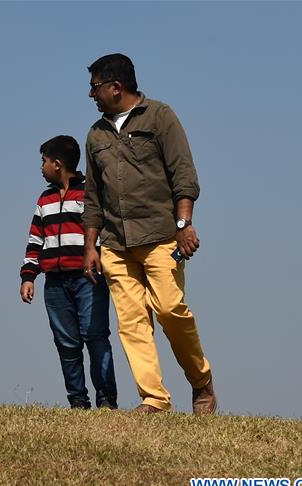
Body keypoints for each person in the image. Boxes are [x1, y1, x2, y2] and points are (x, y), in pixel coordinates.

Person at [80, 53, 216, 414]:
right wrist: (90, 246)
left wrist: (184, 225)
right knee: (132, 322)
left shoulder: (160, 117)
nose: (90, 95)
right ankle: (155, 399)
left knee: (171, 309)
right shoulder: (95, 135)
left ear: (115, 87)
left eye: (94, 88)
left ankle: (201, 382)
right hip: (115, 244)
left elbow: (183, 174)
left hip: (160, 236)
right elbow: (93, 196)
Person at [20, 135, 117, 410]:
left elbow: (103, 232)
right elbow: (35, 240)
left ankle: (107, 400)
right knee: (66, 343)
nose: (41, 167)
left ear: (58, 164)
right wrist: (29, 276)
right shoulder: (45, 199)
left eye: (44, 161)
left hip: (89, 279)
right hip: (55, 283)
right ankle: (77, 401)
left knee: (96, 336)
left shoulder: (90, 193)